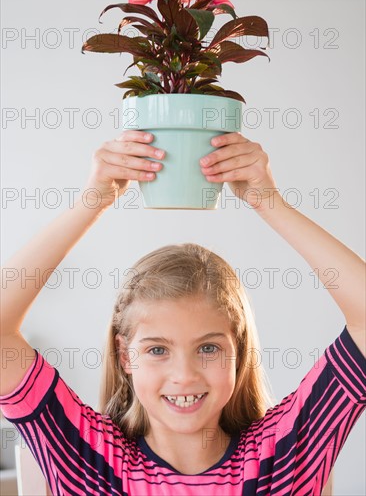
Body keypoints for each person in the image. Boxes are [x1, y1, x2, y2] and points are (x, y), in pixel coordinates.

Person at [0, 130, 365, 495]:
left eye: (208, 348)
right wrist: (93, 201)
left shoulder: (284, 456)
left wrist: (268, 202)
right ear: (126, 354)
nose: (184, 376)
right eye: (158, 350)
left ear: (237, 351)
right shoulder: (88, 461)